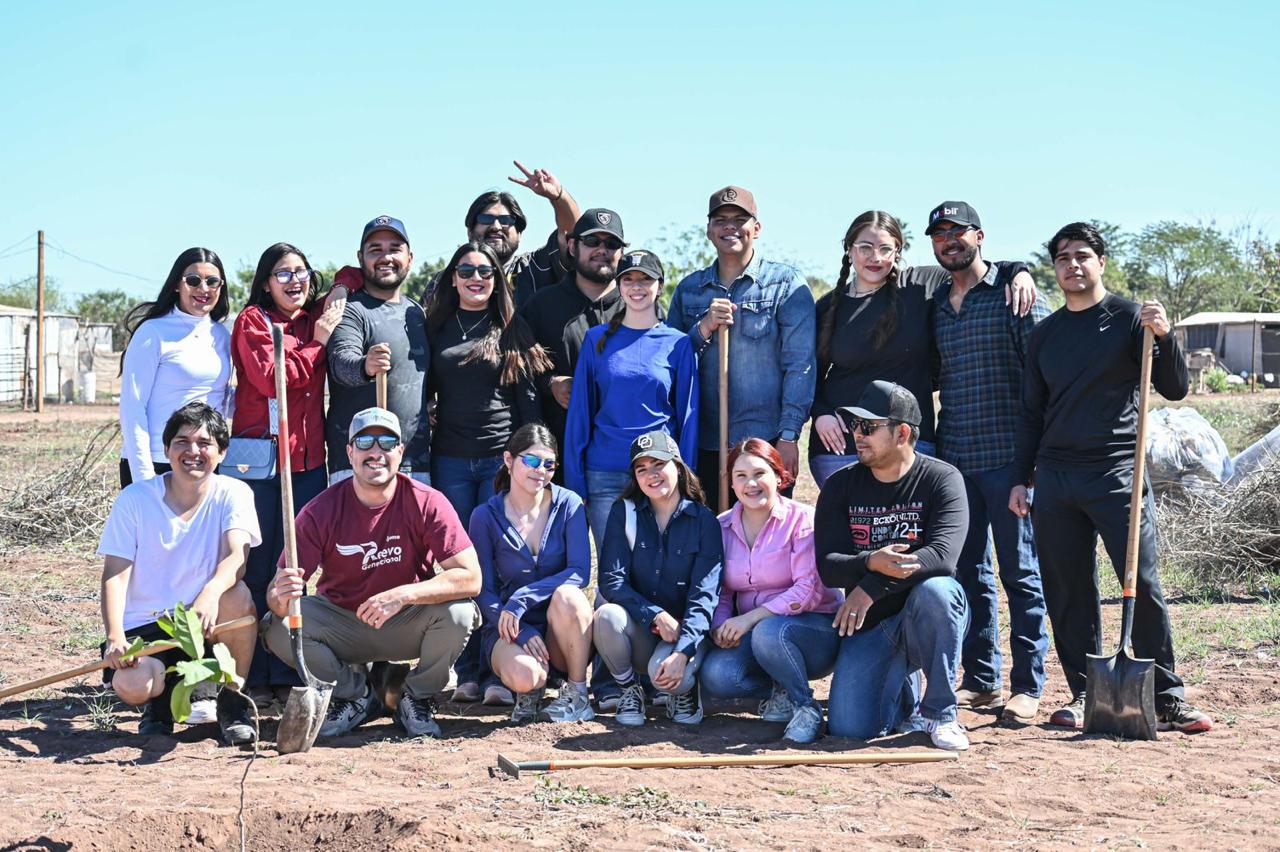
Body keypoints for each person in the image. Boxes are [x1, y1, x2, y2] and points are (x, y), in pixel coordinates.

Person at [1010, 222, 1212, 734]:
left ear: (1100, 262)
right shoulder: (1045, 335)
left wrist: (1164, 337)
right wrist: (1020, 477)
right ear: (1055, 268)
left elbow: (1175, 388)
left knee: (1140, 582)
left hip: (1118, 472)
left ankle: (1166, 696)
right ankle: (1086, 692)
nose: (1072, 265)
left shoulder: (1130, 320)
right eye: (1063, 258)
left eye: (1082, 255)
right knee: (1067, 589)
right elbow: (1031, 413)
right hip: (1057, 478)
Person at [262, 407, 481, 740]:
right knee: (277, 627)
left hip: (406, 619)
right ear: (350, 452)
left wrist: (403, 595)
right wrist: (280, 596)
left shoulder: (427, 501)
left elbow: (471, 577)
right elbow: (276, 597)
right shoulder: (320, 510)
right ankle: (355, 696)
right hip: (342, 622)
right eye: (365, 442)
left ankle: (415, 696)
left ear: (400, 452)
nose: (376, 452)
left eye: (387, 443)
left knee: (460, 613)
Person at [926, 201, 1051, 724]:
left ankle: (1028, 685)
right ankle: (980, 679)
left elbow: (1045, 381)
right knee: (968, 571)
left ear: (979, 236)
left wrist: (1032, 466)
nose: (949, 240)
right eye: (939, 234)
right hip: (956, 458)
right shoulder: (936, 304)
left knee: (1020, 573)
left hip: (1009, 458)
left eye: (958, 231)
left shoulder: (1014, 295)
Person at [809, 210, 1037, 488]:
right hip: (841, 444)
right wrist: (821, 413)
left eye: (885, 248)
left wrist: (1018, 271)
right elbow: (809, 374)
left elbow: (973, 266)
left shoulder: (921, 285)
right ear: (849, 249)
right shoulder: (828, 307)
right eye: (865, 247)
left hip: (912, 444)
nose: (875, 257)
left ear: (897, 251)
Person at [422, 241, 553, 705]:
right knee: (461, 563)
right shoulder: (435, 326)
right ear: (453, 278)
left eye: (485, 271)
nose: (476, 277)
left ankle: (497, 667)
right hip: (451, 459)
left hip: (502, 460)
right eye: (466, 270)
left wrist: (531, 460)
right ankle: (466, 670)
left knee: (500, 562)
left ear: (497, 280)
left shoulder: (513, 327)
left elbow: (528, 401)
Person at [815, 382, 971, 751]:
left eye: (868, 427)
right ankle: (903, 693)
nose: (857, 434)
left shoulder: (942, 479)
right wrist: (871, 560)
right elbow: (829, 567)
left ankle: (941, 713)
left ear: (902, 433)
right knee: (849, 728)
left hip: (925, 616)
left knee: (938, 591)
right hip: (871, 626)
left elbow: (941, 558)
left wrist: (870, 587)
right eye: (855, 425)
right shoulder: (839, 486)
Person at [98, 402, 260, 745]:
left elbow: (237, 557)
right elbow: (115, 573)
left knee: (238, 598)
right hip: (148, 628)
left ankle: (233, 703)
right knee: (133, 684)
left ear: (222, 452)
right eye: (182, 442)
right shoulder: (135, 499)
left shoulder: (235, 493)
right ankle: (158, 704)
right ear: (167, 449)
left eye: (204, 443)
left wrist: (209, 594)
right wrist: (115, 636)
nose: (193, 452)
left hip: (204, 624)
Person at [229, 242, 347, 710]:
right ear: (265, 282)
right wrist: (318, 341)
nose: (294, 281)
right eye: (283, 273)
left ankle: (288, 663)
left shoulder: (312, 316)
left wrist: (338, 291)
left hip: (307, 462)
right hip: (261, 462)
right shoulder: (254, 321)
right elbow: (271, 378)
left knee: (296, 566)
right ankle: (254, 670)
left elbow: (351, 274)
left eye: (301, 272)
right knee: (259, 564)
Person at [666, 186, 815, 509]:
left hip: (765, 441)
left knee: (764, 532)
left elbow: (800, 364)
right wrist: (703, 328)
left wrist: (789, 436)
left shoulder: (785, 284)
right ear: (709, 230)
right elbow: (670, 363)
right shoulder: (689, 290)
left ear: (756, 228)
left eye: (739, 219)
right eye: (720, 220)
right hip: (704, 442)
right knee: (710, 533)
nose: (729, 226)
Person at [699, 439, 843, 743]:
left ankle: (805, 706)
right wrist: (720, 627)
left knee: (768, 631)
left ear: (779, 476)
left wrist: (749, 619)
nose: (750, 484)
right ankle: (780, 691)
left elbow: (807, 591)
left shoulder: (803, 519)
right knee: (717, 676)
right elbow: (721, 591)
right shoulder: (720, 527)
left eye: (759, 473)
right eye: (741, 476)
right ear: (731, 482)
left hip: (811, 631)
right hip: (756, 635)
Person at [565, 249, 699, 547]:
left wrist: (686, 478)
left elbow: (688, 417)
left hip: (659, 472)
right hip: (604, 472)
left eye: (645, 279)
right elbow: (580, 413)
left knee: (656, 565)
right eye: (628, 279)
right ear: (619, 285)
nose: (637, 287)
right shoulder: (596, 339)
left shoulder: (679, 343)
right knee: (613, 567)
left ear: (660, 286)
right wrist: (575, 482)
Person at [594, 431, 723, 726]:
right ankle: (630, 690)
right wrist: (655, 615)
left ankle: (685, 688)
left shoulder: (704, 521)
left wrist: (682, 652)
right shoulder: (624, 512)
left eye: (659, 465)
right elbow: (611, 581)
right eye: (642, 469)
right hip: (642, 629)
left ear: (677, 466)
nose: (651, 475)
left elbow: (704, 596)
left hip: (685, 632)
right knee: (606, 616)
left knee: (668, 676)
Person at [469, 424, 595, 723]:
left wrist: (523, 597)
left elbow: (580, 572)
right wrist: (521, 630)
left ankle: (578, 694)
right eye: (532, 461)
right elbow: (482, 589)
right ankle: (532, 690)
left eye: (549, 464)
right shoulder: (485, 516)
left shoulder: (569, 504)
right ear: (509, 460)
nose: (541, 471)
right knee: (526, 675)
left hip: (561, 629)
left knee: (570, 597)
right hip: (509, 627)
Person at [326, 216, 431, 485]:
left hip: (414, 463)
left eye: (395, 249)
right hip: (359, 466)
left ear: (410, 258)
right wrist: (365, 365)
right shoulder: (349, 309)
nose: (386, 257)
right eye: (376, 250)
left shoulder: (416, 312)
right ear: (360, 258)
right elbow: (341, 363)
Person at [119, 247, 233, 487]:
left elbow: (221, 398)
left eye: (212, 281)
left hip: (204, 461)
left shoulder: (222, 335)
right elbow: (133, 406)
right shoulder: (153, 332)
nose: (203, 288)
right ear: (177, 285)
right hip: (158, 461)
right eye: (193, 280)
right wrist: (143, 477)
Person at [520, 207, 627, 454]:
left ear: (621, 253)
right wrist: (550, 383)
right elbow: (517, 371)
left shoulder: (640, 307)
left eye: (612, 244)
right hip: (558, 450)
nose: (602, 249)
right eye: (592, 241)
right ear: (571, 246)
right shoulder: (542, 305)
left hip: (624, 451)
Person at [430, 162, 581, 308]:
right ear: (470, 232)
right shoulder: (445, 280)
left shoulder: (535, 266)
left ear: (519, 234)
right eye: (486, 219)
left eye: (506, 220)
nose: (496, 226)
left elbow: (571, 233)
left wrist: (558, 196)